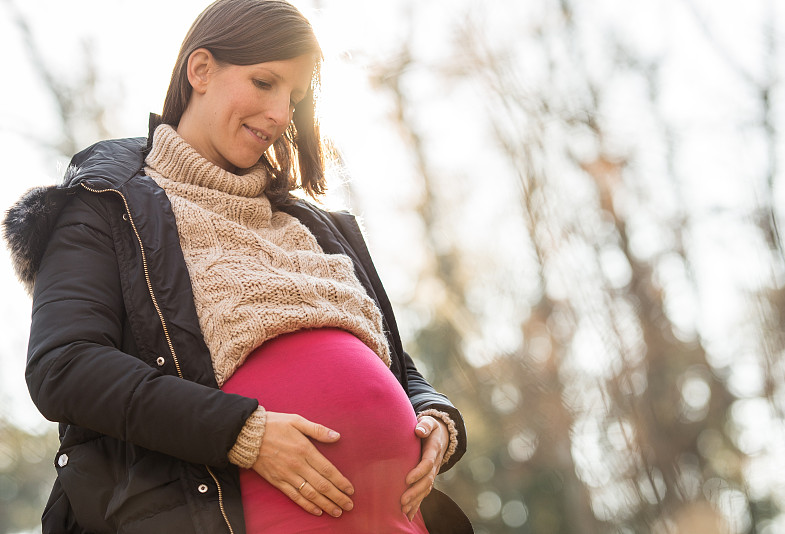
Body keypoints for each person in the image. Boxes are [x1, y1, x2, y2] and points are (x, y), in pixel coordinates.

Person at [2, 0, 472, 533]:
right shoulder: (107, 207)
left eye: (293, 97)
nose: (280, 115)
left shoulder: (320, 228)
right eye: (265, 82)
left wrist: (436, 419)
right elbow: (64, 367)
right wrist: (242, 433)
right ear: (200, 70)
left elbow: (397, 367)